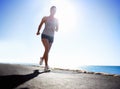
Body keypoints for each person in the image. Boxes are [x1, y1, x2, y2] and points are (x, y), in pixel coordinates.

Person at [36, 6, 59, 71]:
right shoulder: (45, 18)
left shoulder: (57, 20)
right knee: (46, 49)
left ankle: (42, 58)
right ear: (50, 10)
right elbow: (40, 25)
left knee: (47, 51)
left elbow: (57, 29)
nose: (54, 11)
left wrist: (54, 28)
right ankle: (46, 66)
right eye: (53, 10)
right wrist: (38, 31)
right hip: (45, 35)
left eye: (55, 11)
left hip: (52, 37)